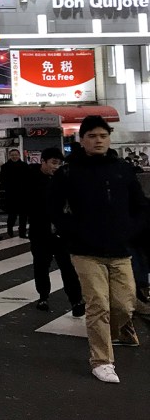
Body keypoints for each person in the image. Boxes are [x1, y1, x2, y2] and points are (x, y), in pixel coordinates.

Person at [49, 115, 144, 383]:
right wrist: (73, 230)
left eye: (103, 135)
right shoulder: (68, 172)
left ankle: (116, 331)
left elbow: (140, 205)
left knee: (124, 304)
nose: (98, 140)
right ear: (82, 140)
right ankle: (102, 360)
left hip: (120, 249)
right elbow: (54, 208)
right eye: (92, 136)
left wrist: (131, 229)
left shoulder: (123, 169)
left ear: (109, 138)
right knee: (98, 304)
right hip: (85, 250)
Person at [25, 147, 83, 315]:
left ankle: (76, 300)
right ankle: (43, 296)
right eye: (53, 163)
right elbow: (29, 204)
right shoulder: (32, 179)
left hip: (62, 233)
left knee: (68, 267)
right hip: (40, 231)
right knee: (41, 266)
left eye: (59, 163)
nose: (56, 167)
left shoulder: (64, 180)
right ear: (43, 161)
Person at [0, 148, 30, 239]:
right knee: (12, 214)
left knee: (23, 215)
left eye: (16, 155)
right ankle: (10, 230)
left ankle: (22, 232)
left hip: (23, 194)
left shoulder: (25, 166)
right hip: (11, 194)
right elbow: (3, 180)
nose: (14, 156)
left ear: (19, 155)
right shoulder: (5, 167)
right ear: (9, 156)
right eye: (12, 155)